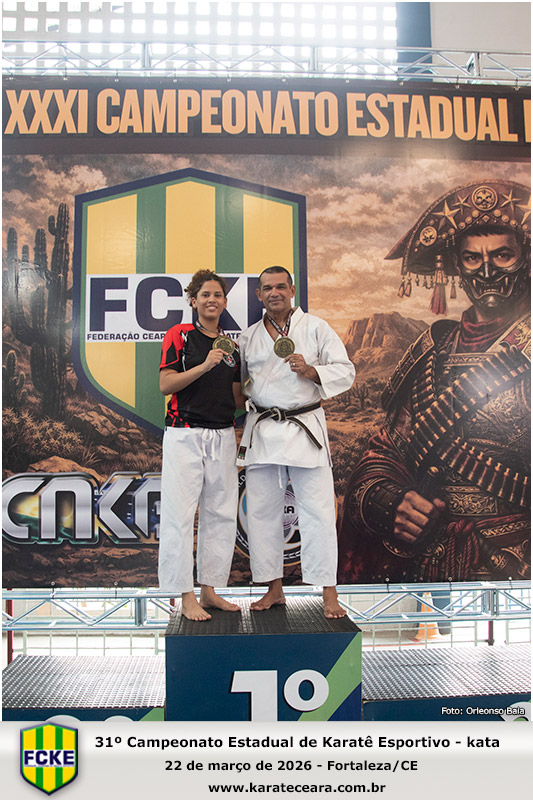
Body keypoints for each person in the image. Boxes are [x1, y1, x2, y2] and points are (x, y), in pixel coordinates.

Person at [338, 180, 530, 584]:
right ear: (456, 267)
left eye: (503, 255)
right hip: (429, 561)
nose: (488, 271)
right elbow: (384, 452)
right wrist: (392, 502)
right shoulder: (431, 351)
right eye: (473, 259)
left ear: (525, 258)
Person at [238, 266, 355, 618]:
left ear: (292, 290)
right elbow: (240, 383)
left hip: (305, 428)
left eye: (280, 286)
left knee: (318, 512)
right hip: (263, 429)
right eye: (267, 288)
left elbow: (346, 371)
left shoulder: (316, 328)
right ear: (259, 294)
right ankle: (273, 588)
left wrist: (311, 371)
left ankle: (328, 591)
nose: (274, 292)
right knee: (261, 512)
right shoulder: (248, 337)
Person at [158, 269, 244, 620]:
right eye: (205, 294)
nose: (212, 300)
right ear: (193, 300)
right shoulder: (179, 335)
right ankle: (185, 594)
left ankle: (210, 591)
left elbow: (237, 397)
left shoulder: (232, 346)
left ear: (225, 301)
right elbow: (166, 385)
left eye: (217, 295)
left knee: (221, 514)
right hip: (185, 432)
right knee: (179, 515)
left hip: (223, 434)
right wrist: (206, 365)